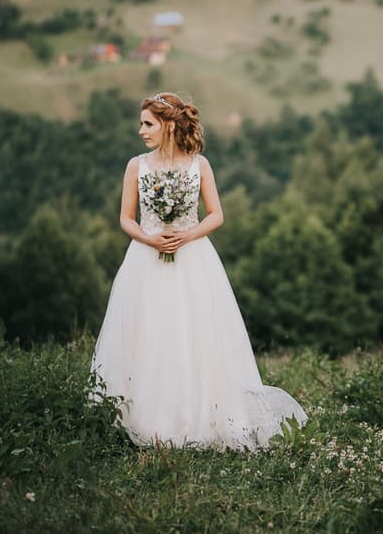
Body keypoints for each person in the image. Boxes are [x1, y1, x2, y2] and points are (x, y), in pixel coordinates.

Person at [91, 93, 306, 449]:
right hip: (146, 260)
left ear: (169, 125)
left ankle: (202, 414)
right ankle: (146, 415)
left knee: (195, 334)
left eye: (148, 123)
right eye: (142, 123)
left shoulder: (199, 165)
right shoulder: (136, 166)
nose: (140, 130)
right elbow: (125, 218)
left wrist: (186, 236)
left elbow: (216, 215)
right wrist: (151, 239)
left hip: (194, 259)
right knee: (151, 334)